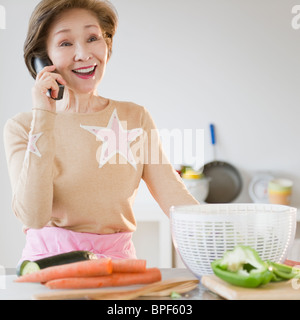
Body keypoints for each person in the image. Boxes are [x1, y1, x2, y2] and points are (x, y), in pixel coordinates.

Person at [3, 0, 199, 263]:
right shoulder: (23, 127)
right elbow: (33, 216)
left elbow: (175, 199)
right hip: (49, 270)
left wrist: (228, 240)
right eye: (65, 43)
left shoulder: (135, 117)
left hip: (118, 270)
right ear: (44, 58)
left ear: (107, 44)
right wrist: (44, 114)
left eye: (92, 38)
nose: (84, 54)